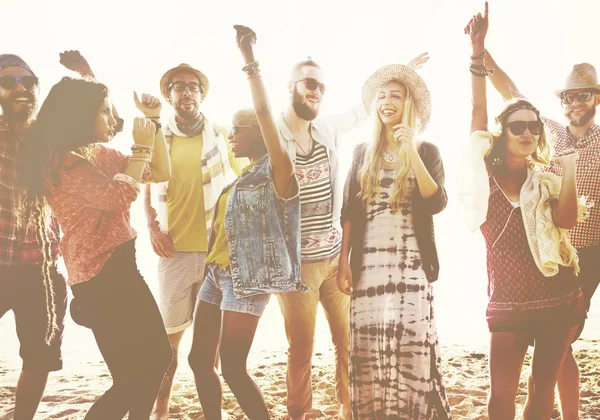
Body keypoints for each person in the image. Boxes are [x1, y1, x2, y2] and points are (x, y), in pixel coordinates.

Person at [276, 49, 429, 420]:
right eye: (310, 83)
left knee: (347, 340)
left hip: (332, 257)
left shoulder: (326, 128)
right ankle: (299, 411)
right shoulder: (272, 131)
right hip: (294, 266)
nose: (317, 91)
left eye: (322, 86)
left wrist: (403, 74)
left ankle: (349, 407)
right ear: (291, 86)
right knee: (301, 348)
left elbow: (367, 107)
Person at [19, 76, 173, 420]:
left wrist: (155, 125)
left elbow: (160, 170)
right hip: (99, 279)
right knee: (134, 377)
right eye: (104, 111)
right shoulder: (61, 164)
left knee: (154, 361)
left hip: (122, 270)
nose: (112, 118)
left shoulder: (97, 153)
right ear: (80, 115)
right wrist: (141, 146)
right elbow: (118, 198)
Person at [461, 4, 587, 419]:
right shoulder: (485, 172)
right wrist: (478, 54)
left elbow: (567, 220)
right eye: (518, 127)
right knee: (500, 401)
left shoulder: (543, 176)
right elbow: (484, 111)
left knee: (539, 394)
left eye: (534, 126)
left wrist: (566, 169)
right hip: (507, 302)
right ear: (502, 134)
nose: (530, 132)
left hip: (556, 294)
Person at [186, 25, 304, 420]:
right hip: (215, 276)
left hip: (246, 281)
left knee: (234, 368)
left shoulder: (279, 172)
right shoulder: (239, 180)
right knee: (199, 361)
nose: (232, 136)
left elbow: (268, 112)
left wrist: (248, 57)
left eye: (239, 129)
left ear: (260, 133)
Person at [337, 62, 452, 418]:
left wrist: (411, 151)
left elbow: (436, 201)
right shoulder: (361, 152)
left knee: (410, 345)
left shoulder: (427, 150)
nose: (387, 102)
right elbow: (349, 213)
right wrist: (343, 262)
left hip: (412, 264)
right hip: (367, 265)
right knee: (369, 345)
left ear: (409, 105)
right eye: (382, 96)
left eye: (396, 96)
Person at [142, 60, 245, 420]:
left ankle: (210, 411)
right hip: (175, 252)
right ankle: (161, 409)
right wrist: (153, 228)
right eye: (179, 86)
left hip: (217, 252)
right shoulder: (158, 136)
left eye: (192, 86)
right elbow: (148, 183)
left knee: (209, 345)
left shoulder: (219, 133)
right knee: (168, 342)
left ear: (201, 94)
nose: (186, 92)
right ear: (169, 94)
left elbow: (246, 169)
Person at [0, 53, 67, 420]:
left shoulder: (53, 138)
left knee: (39, 357)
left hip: (41, 270)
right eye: (9, 82)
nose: (20, 88)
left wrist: (86, 75)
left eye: (27, 81)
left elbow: (105, 123)